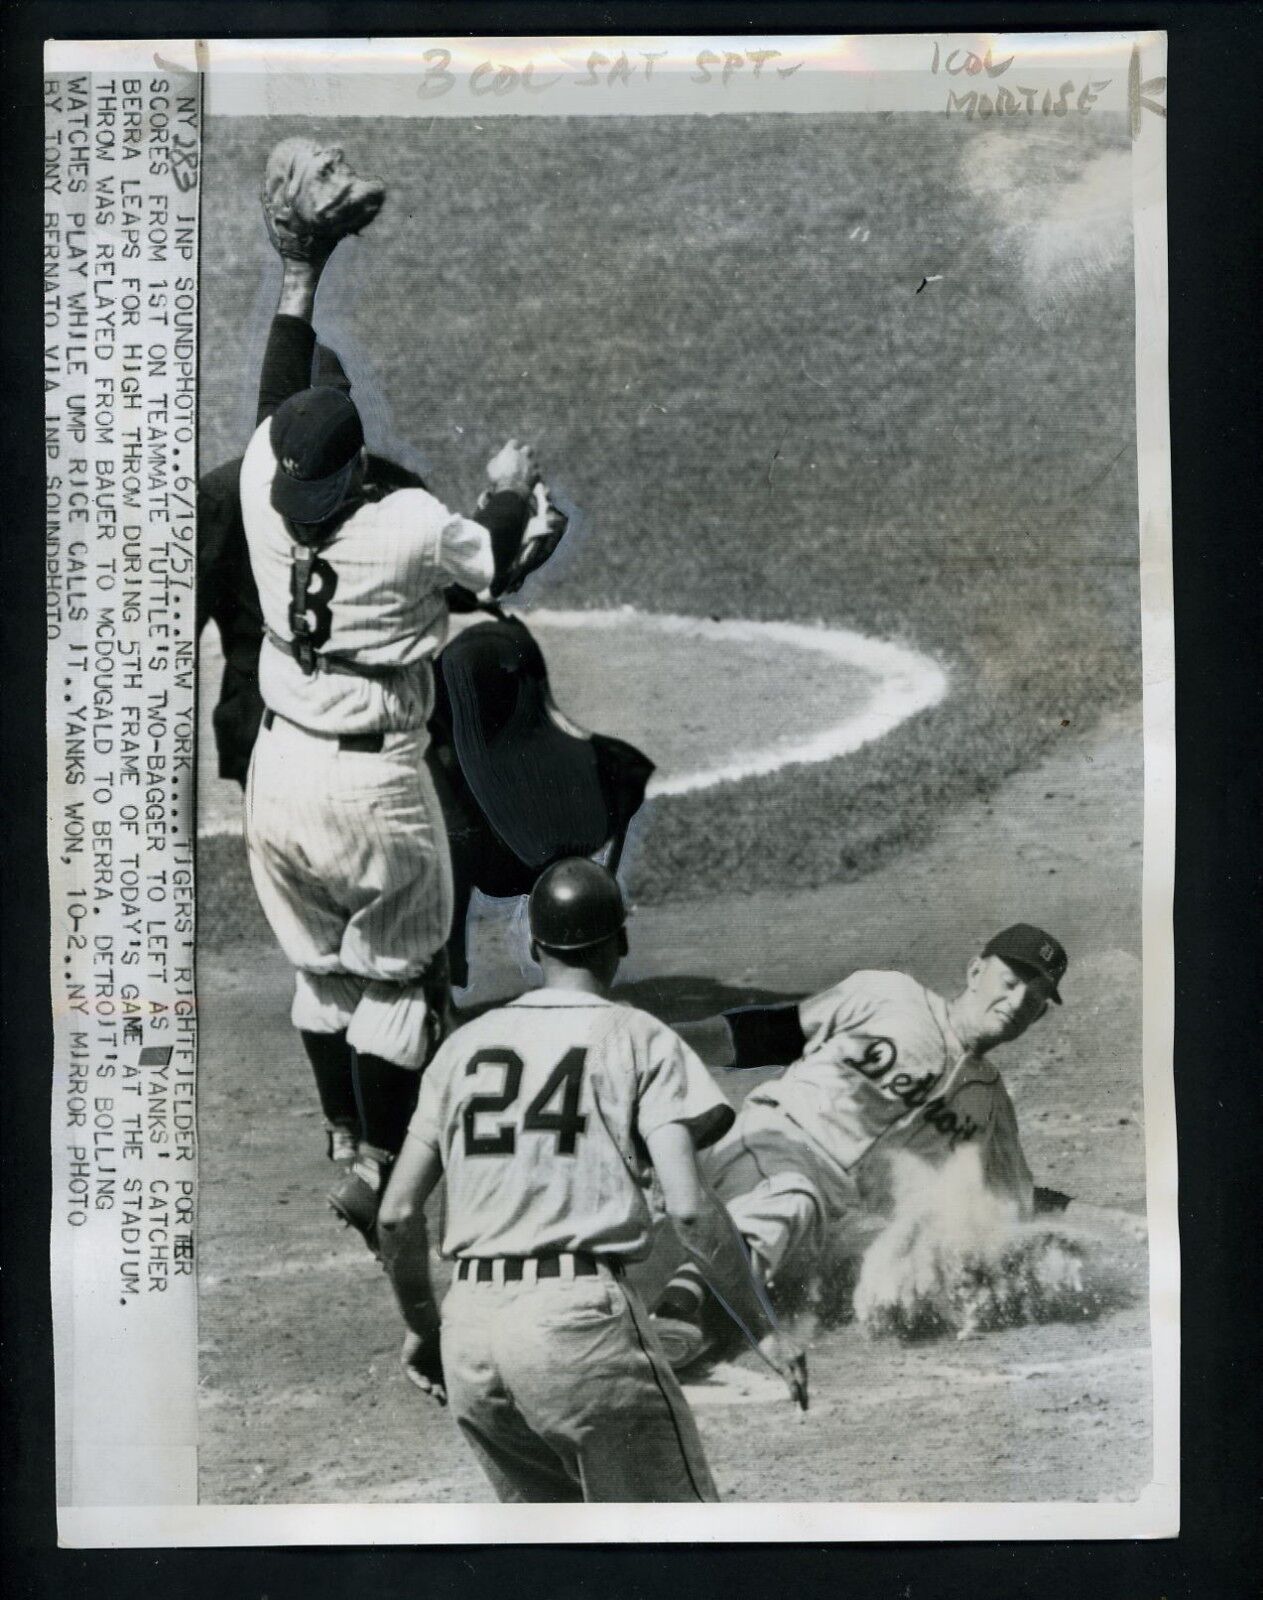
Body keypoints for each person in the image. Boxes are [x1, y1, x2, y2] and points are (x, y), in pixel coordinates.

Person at [239, 161, 556, 1244]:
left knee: (318, 967)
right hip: (375, 786)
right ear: (356, 462)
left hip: (278, 778)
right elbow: (499, 562)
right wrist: (511, 484)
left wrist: (298, 273)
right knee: (403, 982)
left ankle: (341, 1133)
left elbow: (278, 394)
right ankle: (383, 1165)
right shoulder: (412, 522)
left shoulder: (257, 493)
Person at [376, 858, 808, 1503]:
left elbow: (395, 1214)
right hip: (576, 1329)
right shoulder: (636, 1036)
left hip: (469, 1335)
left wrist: (422, 1326)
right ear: (621, 942)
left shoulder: (466, 1044)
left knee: (555, 1561)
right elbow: (688, 1208)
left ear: (533, 945)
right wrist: (763, 1326)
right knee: (685, 1551)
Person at [649, 923, 1069, 1370]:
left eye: (1035, 997)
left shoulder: (990, 1105)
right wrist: (657, 1040)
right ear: (974, 972)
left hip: (840, 1217)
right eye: (1010, 981)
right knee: (791, 1199)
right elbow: (770, 1033)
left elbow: (1014, 1200)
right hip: (775, 1145)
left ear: (1039, 1015)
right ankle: (679, 1307)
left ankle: (724, 1310)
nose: (1018, 1000)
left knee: (912, 1259)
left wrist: (1110, 1221)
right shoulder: (892, 996)